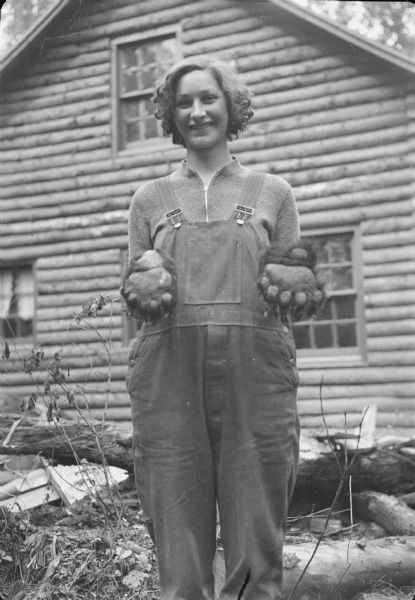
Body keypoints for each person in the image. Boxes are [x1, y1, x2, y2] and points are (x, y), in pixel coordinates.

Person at [122, 56, 319, 600]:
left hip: (255, 374)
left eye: (208, 98)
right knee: (177, 534)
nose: (197, 111)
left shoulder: (273, 192)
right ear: (169, 114)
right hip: (169, 378)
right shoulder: (149, 200)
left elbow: (292, 279)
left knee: (257, 537)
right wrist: (142, 281)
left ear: (230, 107)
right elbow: (139, 295)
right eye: (183, 102)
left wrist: (298, 274)